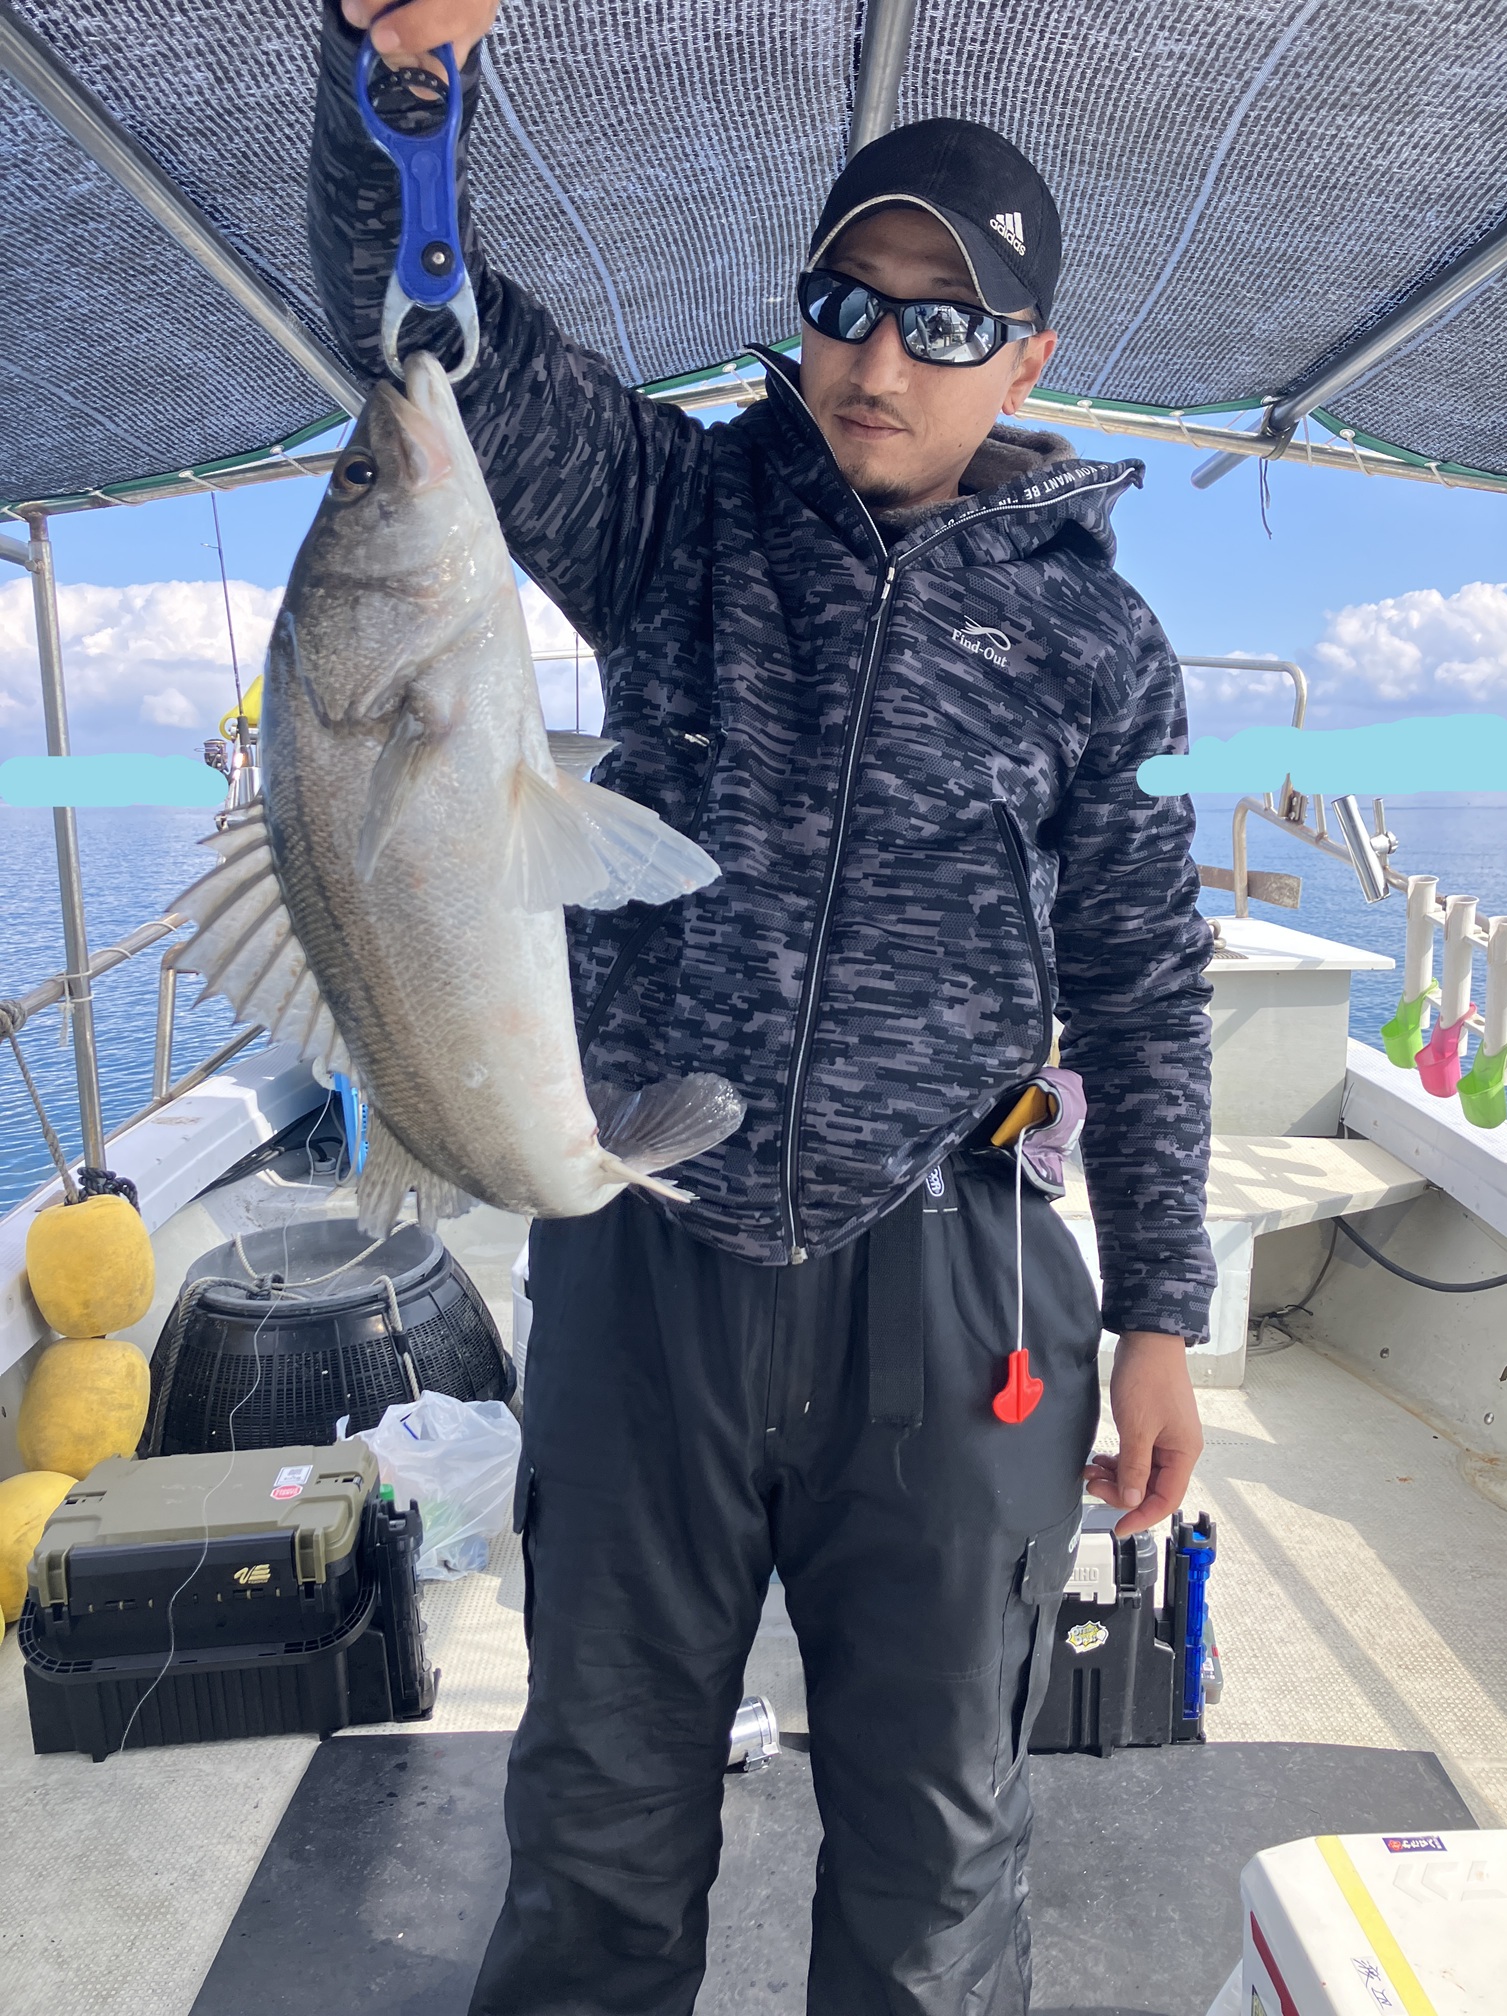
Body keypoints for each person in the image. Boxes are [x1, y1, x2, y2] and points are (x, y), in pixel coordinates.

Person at [310, 6, 1215, 2008]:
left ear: (1029, 361)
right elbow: (419, 320)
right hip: (651, 1259)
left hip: (953, 1282)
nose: (880, 359)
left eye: (943, 323)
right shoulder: (671, 514)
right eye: (845, 305)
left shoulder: (1101, 641)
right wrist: (400, 85)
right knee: (598, 1830)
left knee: (935, 1863)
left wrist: (1162, 1312)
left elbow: (1146, 982)